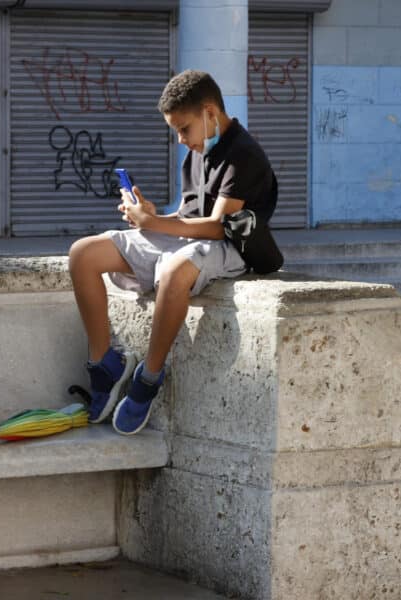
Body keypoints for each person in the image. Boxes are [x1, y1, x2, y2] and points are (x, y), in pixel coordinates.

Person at [68, 69, 279, 436]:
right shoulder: (198, 151)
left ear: (209, 112)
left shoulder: (244, 154)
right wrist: (152, 214)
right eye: (176, 131)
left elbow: (218, 227)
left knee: (174, 271)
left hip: (230, 246)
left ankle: (148, 377)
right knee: (83, 254)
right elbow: (187, 216)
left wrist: (151, 224)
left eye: (184, 129)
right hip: (192, 237)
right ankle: (105, 364)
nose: (181, 140)